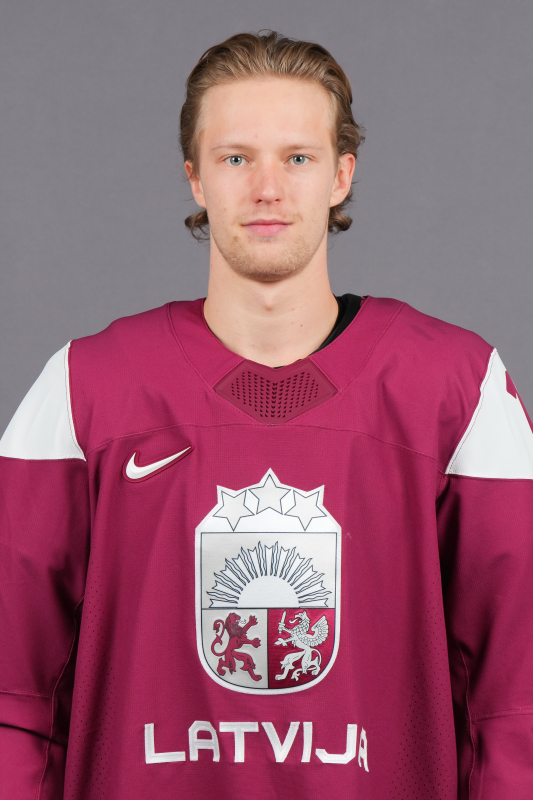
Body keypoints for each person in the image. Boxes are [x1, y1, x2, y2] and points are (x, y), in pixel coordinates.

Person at [1, 30, 532, 800]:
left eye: (298, 157)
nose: (267, 189)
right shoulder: (86, 387)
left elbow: (515, 703)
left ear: (341, 174)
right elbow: (13, 694)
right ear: (194, 177)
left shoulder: (459, 388)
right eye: (235, 158)